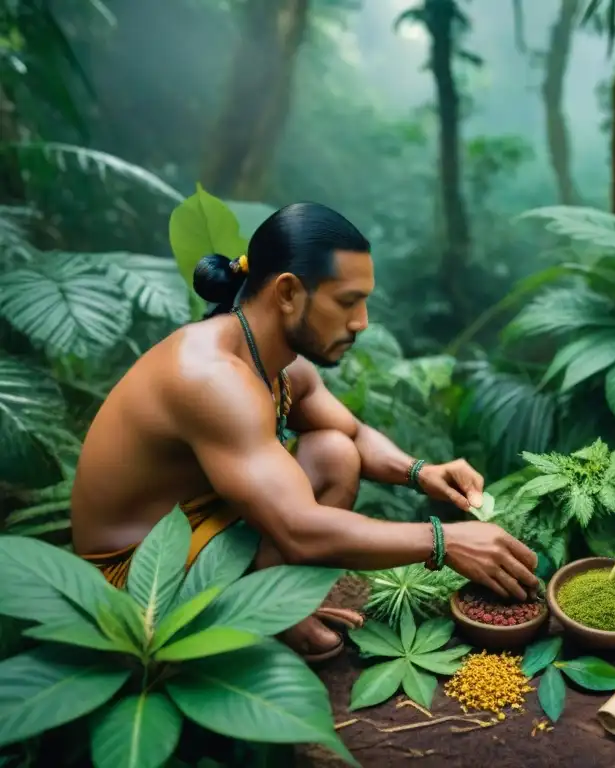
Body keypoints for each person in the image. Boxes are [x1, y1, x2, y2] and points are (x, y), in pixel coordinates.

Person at [71, 201, 538, 663]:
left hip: (199, 529)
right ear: (289, 292)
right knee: (313, 490)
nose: (362, 322)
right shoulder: (212, 378)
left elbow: (351, 434)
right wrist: (445, 541)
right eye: (347, 302)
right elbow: (298, 529)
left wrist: (421, 472)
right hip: (140, 578)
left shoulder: (275, 363)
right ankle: (269, 616)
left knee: (334, 452)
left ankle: (275, 602)